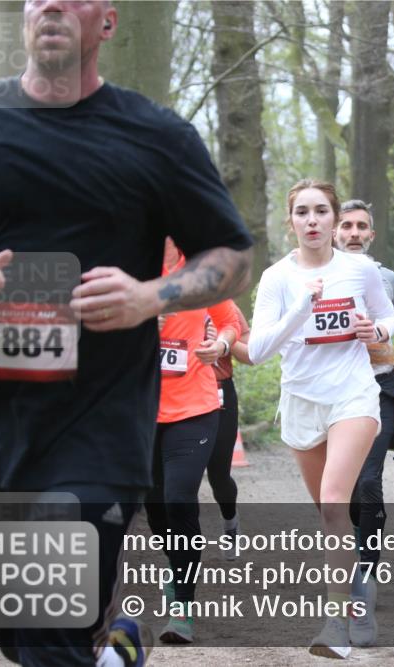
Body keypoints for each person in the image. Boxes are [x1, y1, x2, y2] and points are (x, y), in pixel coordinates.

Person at [0, 1, 253, 665]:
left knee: (50, 628)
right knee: (27, 640)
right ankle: (115, 651)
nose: (48, 3)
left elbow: (230, 256)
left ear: (105, 22)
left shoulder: (155, 135)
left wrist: (150, 296)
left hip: (101, 424)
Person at [248, 179, 394, 659]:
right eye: (302, 213)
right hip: (301, 401)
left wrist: (375, 329)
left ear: (334, 220)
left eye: (321, 212)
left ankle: (335, 622)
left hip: (352, 395)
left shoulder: (360, 269)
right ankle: (359, 592)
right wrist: (301, 308)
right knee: (328, 513)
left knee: (336, 502)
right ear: (291, 221)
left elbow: (387, 316)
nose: (312, 221)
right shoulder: (276, 278)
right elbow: (257, 349)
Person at [147, 238, 242, 644]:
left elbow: (230, 321)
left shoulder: (201, 269)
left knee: (179, 497)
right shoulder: (125, 262)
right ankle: (175, 566)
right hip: (139, 412)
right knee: (156, 512)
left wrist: (219, 344)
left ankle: (182, 608)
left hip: (194, 407)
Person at [334, 199, 394, 647]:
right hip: (329, 394)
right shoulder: (315, 277)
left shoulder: (386, 279)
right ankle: (349, 559)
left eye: (361, 226)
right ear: (333, 231)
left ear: (371, 234)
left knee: (368, 483)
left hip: (378, 388)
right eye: (345, 225)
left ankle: (363, 577)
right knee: (341, 490)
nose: (352, 232)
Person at [203, 303, 252, 559]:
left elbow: (250, 354)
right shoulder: (162, 296)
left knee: (219, 475)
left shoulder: (225, 304)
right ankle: (180, 547)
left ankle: (230, 524)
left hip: (219, 390)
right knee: (177, 481)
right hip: (174, 392)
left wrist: (224, 340)